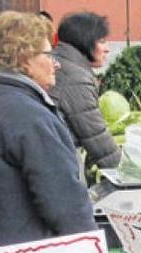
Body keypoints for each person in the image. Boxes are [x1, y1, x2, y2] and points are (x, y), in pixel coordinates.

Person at [0, 12, 97, 252]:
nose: (56, 63)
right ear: (23, 59)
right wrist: (91, 252)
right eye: (48, 54)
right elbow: (66, 206)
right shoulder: (31, 118)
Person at [49, 12, 121, 169]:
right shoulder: (76, 78)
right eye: (102, 42)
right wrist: (124, 172)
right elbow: (96, 136)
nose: (107, 49)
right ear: (85, 42)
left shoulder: (59, 61)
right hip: (59, 162)